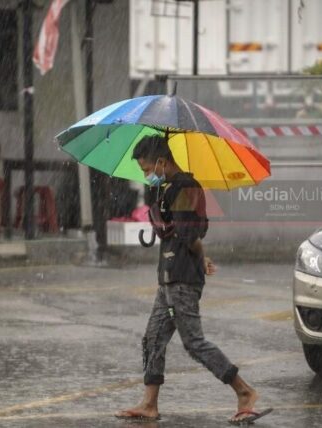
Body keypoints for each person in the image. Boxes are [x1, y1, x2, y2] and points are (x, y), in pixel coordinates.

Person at [114, 134, 272, 425]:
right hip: (169, 277)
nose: (146, 175)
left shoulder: (186, 188)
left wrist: (201, 258)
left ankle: (245, 392)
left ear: (162, 161)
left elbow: (190, 235)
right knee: (153, 339)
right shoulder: (169, 188)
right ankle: (149, 404)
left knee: (194, 343)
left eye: (148, 169)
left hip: (183, 277)